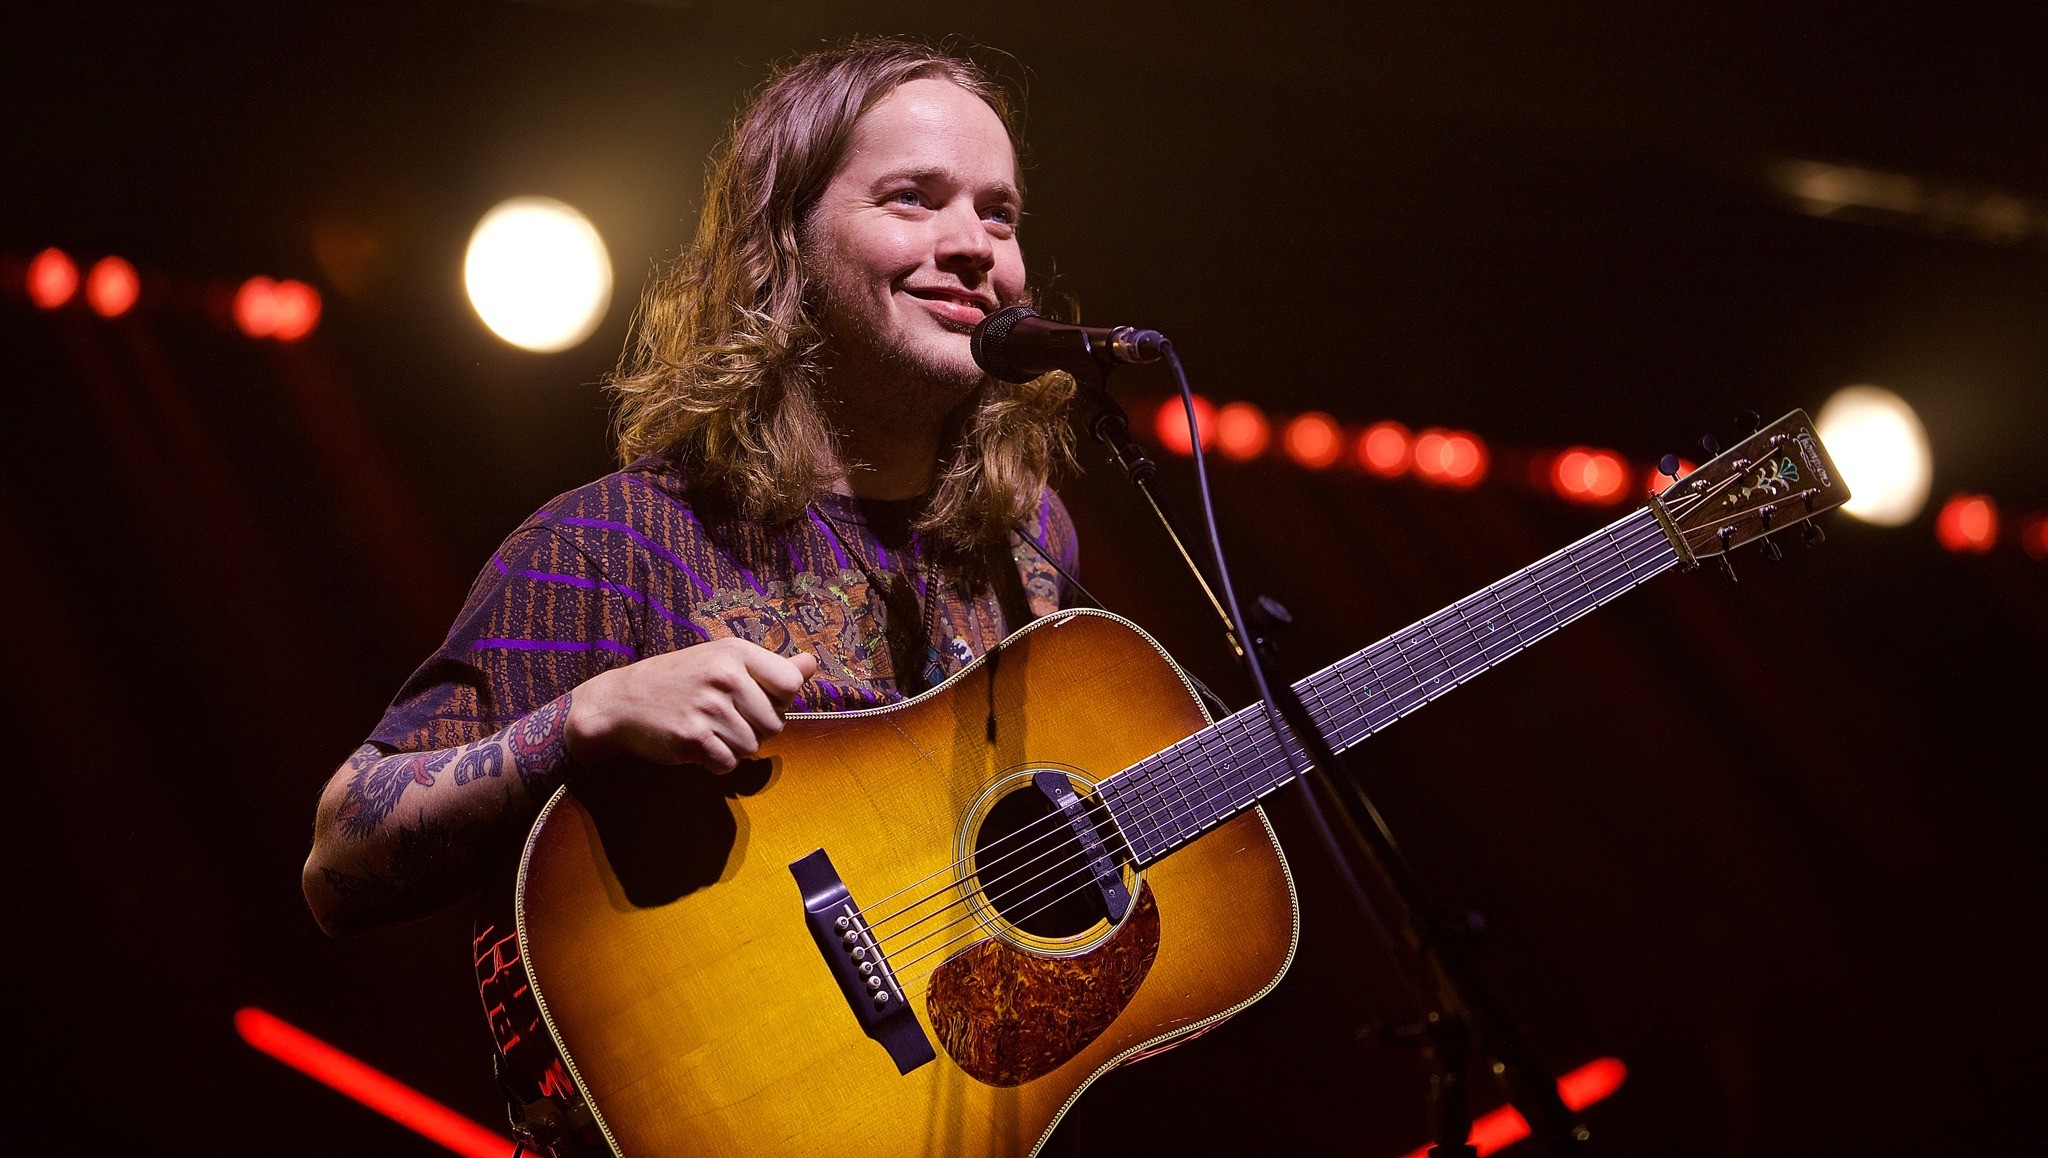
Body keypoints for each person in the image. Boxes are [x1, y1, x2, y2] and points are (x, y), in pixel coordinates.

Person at [301, 37, 1080, 1153]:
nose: (972, 246)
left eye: (999, 215)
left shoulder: (1030, 547)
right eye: (913, 198)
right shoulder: (613, 544)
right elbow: (341, 858)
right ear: (784, 242)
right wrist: (585, 718)